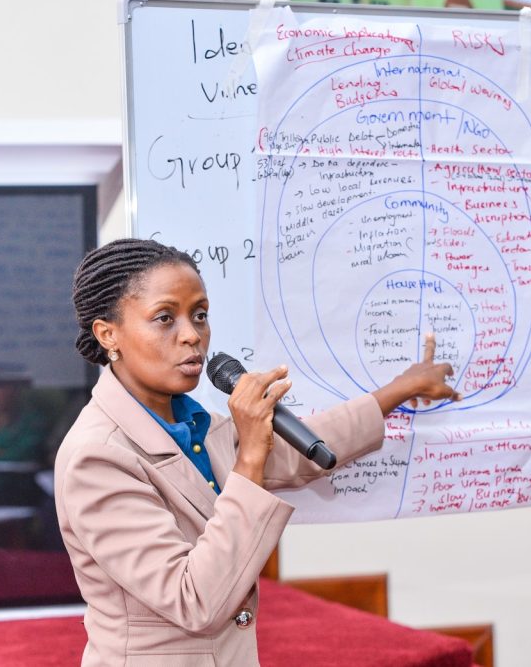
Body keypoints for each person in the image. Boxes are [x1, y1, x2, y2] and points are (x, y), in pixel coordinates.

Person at [55, 238, 460, 666]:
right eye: (164, 318)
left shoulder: (194, 425)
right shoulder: (97, 457)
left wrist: (402, 388)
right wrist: (249, 455)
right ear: (108, 334)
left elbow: (302, 448)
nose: (192, 335)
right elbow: (195, 600)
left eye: (200, 315)